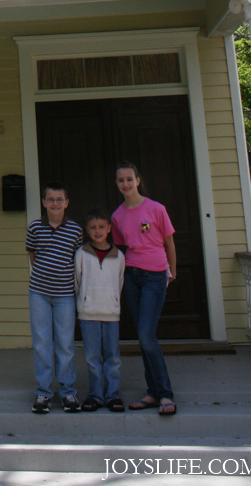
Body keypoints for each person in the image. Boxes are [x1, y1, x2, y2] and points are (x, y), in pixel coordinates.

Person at [111, 160, 177, 416]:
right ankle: (152, 393)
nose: (126, 183)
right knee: (143, 337)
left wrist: (172, 271)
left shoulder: (156, 209)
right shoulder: (117, 216)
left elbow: (169, 243)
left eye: (130, 179)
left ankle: (165, 394)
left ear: (138, 180)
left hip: (155, 276)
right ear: (117, 184)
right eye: (121, 180)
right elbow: (121, 248)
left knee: (147, 336)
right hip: (132, 276)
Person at [25, 182, 84, 413]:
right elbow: (33, 255)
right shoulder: (35, 227)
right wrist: (43, 279)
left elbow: (76, 259)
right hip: (39, 292)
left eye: (60, 200)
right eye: (51, 199)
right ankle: (43, 392)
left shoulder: (76, 231)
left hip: (65, 295)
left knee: (65, 342)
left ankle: (68, 392)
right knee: (41, 342)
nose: (55, 203)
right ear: (44, 203)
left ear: (66, 203)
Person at [75, 206, 126, 412]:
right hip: (88, 313)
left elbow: (120, 282)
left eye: (102, 227)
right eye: (93, 227)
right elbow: (76, 281)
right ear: (87, 230)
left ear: (109, 229)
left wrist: (113, 301)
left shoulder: (118, 256)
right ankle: (95, 395)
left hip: (111, 313)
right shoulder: (81, 254)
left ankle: (112, 395)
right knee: (92, 357)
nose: (98, 231)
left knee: (112, 356)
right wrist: (85, 301)